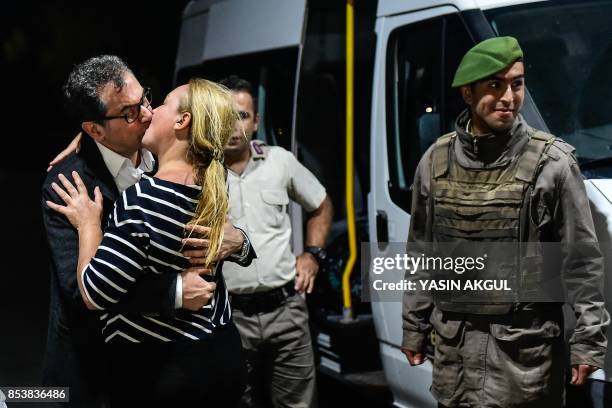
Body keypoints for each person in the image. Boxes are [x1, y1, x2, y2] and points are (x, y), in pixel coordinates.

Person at [401, 37, 609, 407]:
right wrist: (413, 328)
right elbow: (422, 255)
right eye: (494, 85)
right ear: (467, 93)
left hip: (523, 360)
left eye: (516, 83)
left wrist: (589, 341)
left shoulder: (553, 164)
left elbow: (581, 261)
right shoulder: (434, 162)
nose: (508, 97)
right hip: (456, 358)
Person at [42, 56, 253, 407]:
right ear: (93, 130)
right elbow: (80, 295)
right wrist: (175, 290)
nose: (146, 113)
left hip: (180, 363)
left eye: (146, 99)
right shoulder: (69, 183)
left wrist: (240, 242)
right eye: (129, 112)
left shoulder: (177, 164)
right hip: (99, 368)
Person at [191, 75, 332, 408]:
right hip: (229, 317)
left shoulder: (279, 162)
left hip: (287, 311)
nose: (233, 124)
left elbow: (321, 205)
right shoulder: (198, 173)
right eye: (225, 115)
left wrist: (312, 254)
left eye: (241, 115)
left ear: (255, 122)